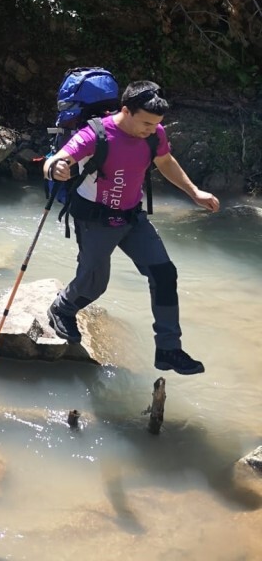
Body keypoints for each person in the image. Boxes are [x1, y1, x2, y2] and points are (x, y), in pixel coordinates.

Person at [42, 80, 220, 375]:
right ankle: (62, 308)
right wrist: (55, 168)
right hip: (95, 219)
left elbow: (165, 161)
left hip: (132, 218)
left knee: (164, 274)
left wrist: (194, 192)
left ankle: (168, 349)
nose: (152, 130)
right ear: (125, 110)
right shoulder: (95, 134)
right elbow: (60, 158)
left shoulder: (155, 134)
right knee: (94, 284)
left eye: (156, 125)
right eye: (146, 123)